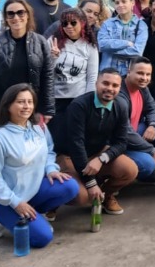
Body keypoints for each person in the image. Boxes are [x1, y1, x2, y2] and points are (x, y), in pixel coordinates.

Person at [0, 84, 79, 247]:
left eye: (30, 101)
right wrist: (16, 203)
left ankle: (31, 213)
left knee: (70, 187)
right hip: (6, 199)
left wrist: (51, 169)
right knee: (42, 239)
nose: (27, 106)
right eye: (20, 102)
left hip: (32, 190)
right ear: (8, 105)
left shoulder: (38, 126)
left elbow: (49, 150)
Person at [54, 69, 139, 215]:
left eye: (115, 85)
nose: (109, 89)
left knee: (130, 170)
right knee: (82, 197)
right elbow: (76, 144)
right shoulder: (79, 105)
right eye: (105, 83)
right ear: (96, 84)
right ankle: (52, 203)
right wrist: (91, 183)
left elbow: (121, 142)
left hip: (97, 152)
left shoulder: (121, 106)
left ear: (119, 88)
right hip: (69, 156)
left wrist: (102, 158)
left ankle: (104, 196)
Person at [0, 0, 55, 130]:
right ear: (6, 18)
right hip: (2, 108)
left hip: (31, 108)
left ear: (27, 15)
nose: (16, 17)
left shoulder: (40, 42)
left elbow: (47, 76)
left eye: (20, 12)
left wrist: (48, 109)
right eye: (11, 13)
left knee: (31, 148)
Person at [46, 7, 99, 145]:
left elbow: (92, 77)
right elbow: (44, 73)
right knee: (56, 137)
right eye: (65, 23)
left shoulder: (90, 46)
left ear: (82, 23)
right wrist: (53, 58)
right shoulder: (53, 41)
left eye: (73, 23)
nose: (69, 27)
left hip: (78, 98)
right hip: (56, 98)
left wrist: (89, 102)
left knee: (76, 136)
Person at [117, 57, 155, 184]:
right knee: (148, 163)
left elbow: (153, 109)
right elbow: (125, 132)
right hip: (118, 142)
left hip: (134, 130)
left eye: (148, 74)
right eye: (140, 73)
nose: (144, 78)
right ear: (129, 71)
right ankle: (144, 173)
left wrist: (153, 125)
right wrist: (150, 149)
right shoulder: (119, 94)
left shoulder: (142, 87)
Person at [97, 0, 148, 77]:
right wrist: (126, 43)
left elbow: (137, 51)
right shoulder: (107, 23)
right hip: (107, 73)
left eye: (124, 2)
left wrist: (110, 50)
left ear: (132, 3)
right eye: (117, 3)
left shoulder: (141, 25)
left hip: (128, 74)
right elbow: (102, 44)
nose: (120, 5)